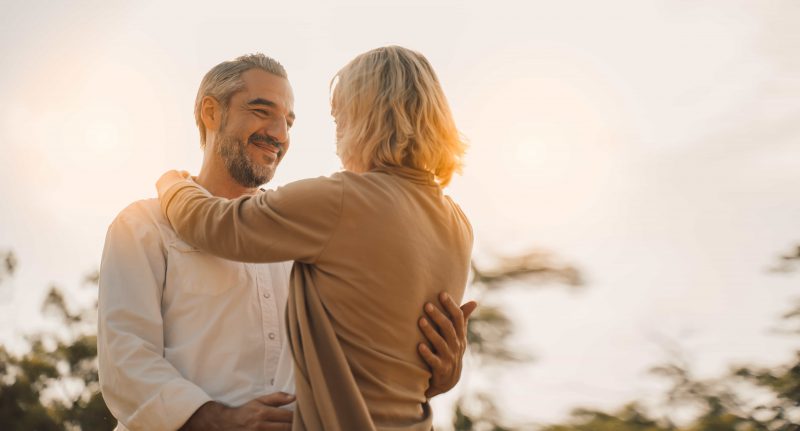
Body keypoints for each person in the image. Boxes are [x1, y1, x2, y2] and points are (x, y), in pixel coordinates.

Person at [98, 53, 475, 431]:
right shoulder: (143, 224)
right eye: (262, 111)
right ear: (211, 113)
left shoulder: (320, 226)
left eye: (289, 122)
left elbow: (363, 351)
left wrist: (437, 371)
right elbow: (125, 360)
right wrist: (219, 420)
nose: (279, 134)